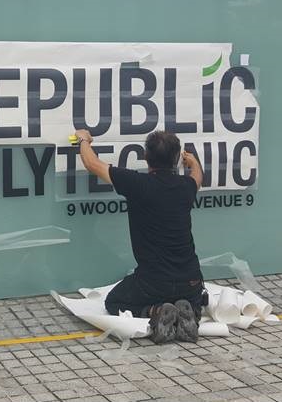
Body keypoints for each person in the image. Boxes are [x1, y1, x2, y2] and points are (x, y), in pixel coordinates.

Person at [73, 128, 205, 343]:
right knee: (195, 298)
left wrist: (83, 140)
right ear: (175, 159)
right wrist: (192, 162)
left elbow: (92, 164)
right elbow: (197, 177)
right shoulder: (185, 187)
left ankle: (156, 310)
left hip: (152, 281)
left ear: (146, 157)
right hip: (190, 280)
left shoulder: (138, 184)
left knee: (113, 302)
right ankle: (191, 312)